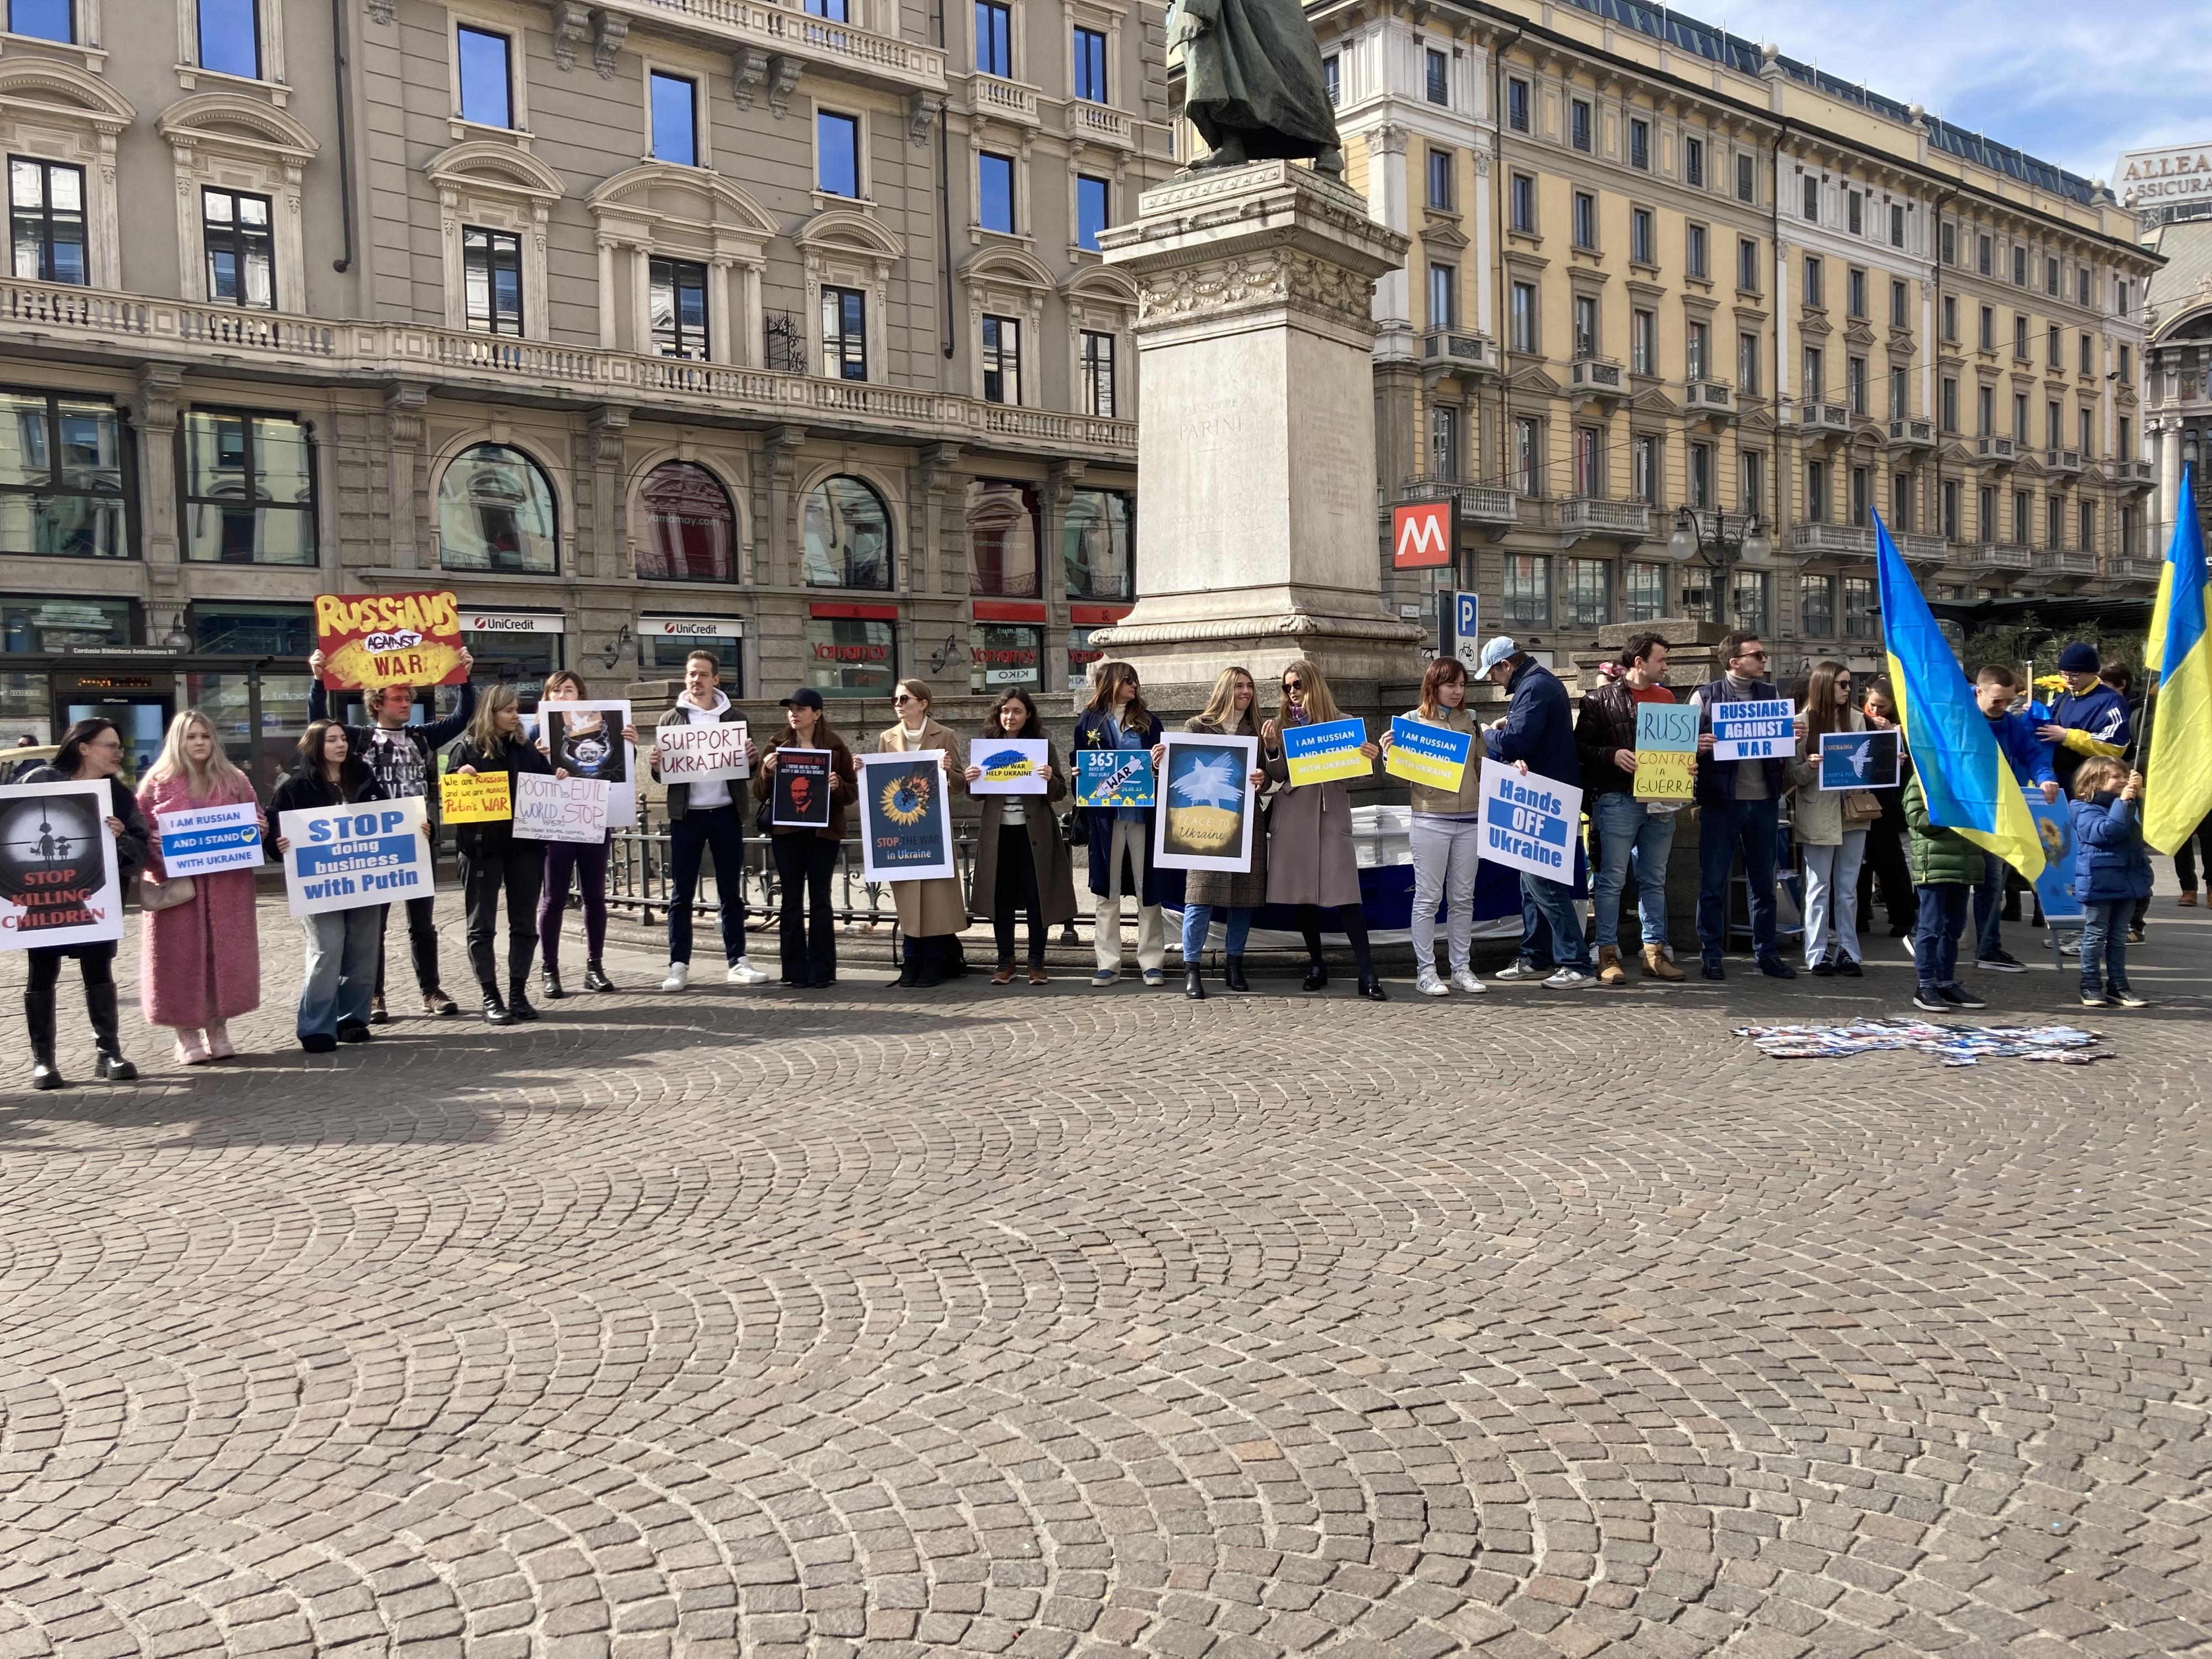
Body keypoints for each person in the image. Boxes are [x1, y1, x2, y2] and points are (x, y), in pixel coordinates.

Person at [306, 649, 477, 1020]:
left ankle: (430, 990)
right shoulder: (360, 739)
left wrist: (464, 676)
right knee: (373, 925)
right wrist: (319, 680)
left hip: (418, 839)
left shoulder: (421, 738)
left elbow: (463, 717)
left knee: (423, 923)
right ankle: (374, 994)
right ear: (377, 703)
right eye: (398, 698)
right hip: (376, 844)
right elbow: (319, 722)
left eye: (409, 698)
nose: (406, 704)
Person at [17, 718, 147, 1088]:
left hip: (97, 900)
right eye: (110, 745)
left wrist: (120, 837)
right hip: (44, 897)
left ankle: (109, 1053)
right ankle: (44, 1061)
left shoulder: (120, 797)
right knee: (42, 972)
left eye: (120, 746)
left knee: (98, 970)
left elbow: (139, 855)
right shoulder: (39, 780)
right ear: (83, 747)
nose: (118, 753)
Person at [136, 711, 264, 1066]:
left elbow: (255, 822)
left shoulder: (234, 779)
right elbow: (139, 832)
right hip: (178, 890)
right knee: (179, 960)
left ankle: (218, 1028)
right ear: (178, 741)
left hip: (227, 889)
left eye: (205, 736)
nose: (199, 743)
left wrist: (257, 828)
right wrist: (152, 843)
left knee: (222, 958)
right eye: (191, 736)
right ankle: (186, 1035)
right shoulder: (156, 782)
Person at [1261, 658, 1386, 1000]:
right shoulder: (1282, 725)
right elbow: (1278, 775)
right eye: (1286, 688)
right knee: (1303, 896)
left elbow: (1358, 774)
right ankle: (1317, 964)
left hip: (1330, 813)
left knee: (1346, 895)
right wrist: (1272, 749)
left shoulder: (1343, 724)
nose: (1291, 693)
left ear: (1312, 685)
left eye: (1297, 685)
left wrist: (1368, 757)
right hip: (1296, 814)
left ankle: (1368, 972)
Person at [268, 721, 394, 1052]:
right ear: (315, 746)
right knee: (327, 948)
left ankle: (352, 1019)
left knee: (364, 950)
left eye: (343, 739)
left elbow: (390, 819)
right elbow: (274, 830)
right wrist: (276, 844)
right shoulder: (295, 788)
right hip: (319, 884)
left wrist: (422, 831)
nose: (341, 745)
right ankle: (316, 1026)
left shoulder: (365, 779)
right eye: (332, 740)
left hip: (367, 881)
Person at [1476, 637, 1594, 989]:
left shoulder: (1534, 686)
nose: (1495, 682)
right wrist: (1506, 730)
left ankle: (1577, 963)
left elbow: (1517, 743)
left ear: (1506, 665)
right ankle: (1536, 957)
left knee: (1542, 883)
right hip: (1544, 795)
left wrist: (1487, 734)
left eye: (1493, 674)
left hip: (1545, 798)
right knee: (1532, 884)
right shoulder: (1540, 683)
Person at [648, 651, 768, 993]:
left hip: (726, 813)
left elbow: (745, 771)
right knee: (681, 894)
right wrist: (657, 766)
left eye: (702, 674)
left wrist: (752, 761)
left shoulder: (735, 717)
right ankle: (678, 965)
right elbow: (662, 777)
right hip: (687, 817)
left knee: (730, 892)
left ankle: (737, 961)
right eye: (690, 674)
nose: (695, 680)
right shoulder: (671, 719)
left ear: (716, 680)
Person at [1572, 632, 1683, 987]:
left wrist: (1688, 761)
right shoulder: (1598, 701)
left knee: (1655, 879)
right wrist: (1611, 754)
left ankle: (1655, 953)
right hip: (1617, 799)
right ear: (1639, 663)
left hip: (1661, 800)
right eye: (1661, 660)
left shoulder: (1667, 698)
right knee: (1612, 880)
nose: (1666, 666)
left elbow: (1674, 749)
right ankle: (1607, 953)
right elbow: (1581, 749)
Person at [446, 686, 562, 1025]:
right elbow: (453, 799)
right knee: (482, 927)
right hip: (481, 850)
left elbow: (544, 786)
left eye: (516, 710)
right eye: (508, 710)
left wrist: (557, 777)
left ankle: (517, 993)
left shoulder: (526, 749)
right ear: (490, 713)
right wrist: (458, 777)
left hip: (524, 848)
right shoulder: (466, 749)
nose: (516, 715)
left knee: (524, 925)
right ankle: (490, 996)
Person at [1378, 656, 1488, 996]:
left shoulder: (1471, 720)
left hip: (1469, 818)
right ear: (1434, 685)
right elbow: (1397, 773)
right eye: (1451, 684)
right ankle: (1426, 971)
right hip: (1430, 818)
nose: (1458, 691)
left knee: (1463, 899)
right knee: (1427, 898)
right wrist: (1387, 754)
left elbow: (1482, 766)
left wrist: (1513, 770)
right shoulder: (1411, 722)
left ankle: (1461, 968)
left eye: (1462, 685)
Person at [1689, 632, 1796, 980]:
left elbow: (1780, 749)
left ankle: (1766, 954)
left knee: (1764, 884)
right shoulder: (1704, 697)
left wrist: (1790, 737)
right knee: (1713, 883)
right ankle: (1711, 955)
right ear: (1735, 662)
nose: (1764, 660)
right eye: (1758, 655)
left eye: (1763, 655)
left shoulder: (1771, 695)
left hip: (1764, 801)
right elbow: (1679, 752)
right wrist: (1698, 746)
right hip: (1722, 803)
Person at [530, 670, 636, 999]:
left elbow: (620, 770)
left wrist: (629, 745)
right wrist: (540, 760)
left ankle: (595, 966)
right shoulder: (537, 733)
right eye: (557, 691)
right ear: (548, 698)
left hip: (593, 817)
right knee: (554, 898)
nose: (564, 696)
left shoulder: (604, 726)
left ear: (582, 696)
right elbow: (527, 778)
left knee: (595, 895)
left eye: (570, 690)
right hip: (558, 822)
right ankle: (550, 968)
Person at [965, 688, 1077, 986]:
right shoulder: (987, 747)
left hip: (1034, 833)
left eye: (1016, 711)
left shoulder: (1042, 746)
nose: (1009, 717)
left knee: (1036, 896)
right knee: (1000, 898)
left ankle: (1036, 962)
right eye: (1004, 711)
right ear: (997, 715)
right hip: (998, 833)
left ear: (1028, 715)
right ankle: (1006, 960)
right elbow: (976, 797)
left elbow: (1059, 793)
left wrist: (1049, 777)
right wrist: (972, 779)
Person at [1172, 666, 1271, 999]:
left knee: (1244, 898)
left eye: (1250, 686)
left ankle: (1234, 965)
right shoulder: (1197, 726)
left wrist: (1263, 779)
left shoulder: (1257, 730)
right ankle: (1192, 969)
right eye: (1239, 686)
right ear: (1225, 689)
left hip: (1246, 823)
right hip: (1206, 824)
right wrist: (1161, 763)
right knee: (1200, 897)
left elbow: (1270, 778)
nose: (1246, 692)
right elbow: (1181, 769)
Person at [753, 688, 858, 988]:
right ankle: (794, 971)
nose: (794, 714)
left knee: (821, 900)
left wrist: (837, 785)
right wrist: (766, 772)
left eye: (801, 709)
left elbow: (851, 793)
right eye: (791, 709)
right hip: (787, 833)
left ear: (817, 713)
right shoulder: (777, 745)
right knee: (791, 901)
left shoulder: (836, 747)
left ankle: (823, 971)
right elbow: (759, 795)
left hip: (823, 834)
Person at [1073, 661, 1168, 987]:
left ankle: (1152, 962)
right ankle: (1108, 963)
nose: (1134, 685)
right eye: (1128, 680)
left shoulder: (1150, 722)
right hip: (1106, 818)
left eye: (1136, 680)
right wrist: (1078, 775)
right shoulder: (1089, 721)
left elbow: (1163, 773)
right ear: (1110, 682)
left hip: (1143, 816)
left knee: (1148, 890)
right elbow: (1080, 763)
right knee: (1107, 891)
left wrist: (1158, 765)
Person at [1966, 664, 2059, 974]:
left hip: (1995, 815)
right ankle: (1930, 940)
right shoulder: (1959, 715)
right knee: (1946, 883)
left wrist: (2045, 777)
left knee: (1991, 883)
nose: (2003, 707)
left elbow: (2032, 754)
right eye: (1997, 700)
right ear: (1978, 692)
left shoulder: (2010, 723)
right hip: (1961, 813)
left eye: (2008, 700)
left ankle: (1988, 948)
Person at [877, 680, 969, 988]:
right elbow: (878, 783)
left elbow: (959, 785)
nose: (898, 704)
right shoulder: (886, 738)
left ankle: (934, 962)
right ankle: (910, 961)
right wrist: (862, 767)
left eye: (904, 698)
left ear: (923, 703)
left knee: (936, 899)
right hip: (900, 831)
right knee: (907, 899)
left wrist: (947, 770)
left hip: (933, 829)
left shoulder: (945, 735)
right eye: (895, 699)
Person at [1785, 662, 1869, 977]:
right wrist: (1810, 765)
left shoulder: (1858, 719)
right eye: (1842, 685)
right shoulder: (1801, 723)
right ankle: (1816, 953)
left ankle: (1848, 950)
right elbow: (1791, 775)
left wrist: (1888, 762)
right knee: (1818, 887)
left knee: (1848, 888)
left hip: (1852, 811)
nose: (1848, 690)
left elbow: (1868, 767)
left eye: (1850, 685)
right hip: (1818, 811)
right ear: (1823, 686)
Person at [1902, 766, 1989, 1016]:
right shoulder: (1922, 778)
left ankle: (1946, 982)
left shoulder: (1967, 777)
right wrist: (1955, 811)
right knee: (1930, 928)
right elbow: (1918, 819)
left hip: (1964, 864)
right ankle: (1926, 985)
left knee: (1954, 928)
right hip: (1934, 864)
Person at [2068, 759, 2152, 1010]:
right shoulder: (2083, 808)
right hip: (2100, 881)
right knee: (2095, 935)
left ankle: (2119, 985)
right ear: (2095, 782)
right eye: (2118, 777)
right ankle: (2090, 984)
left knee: (2118, 937)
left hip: (2127, 881)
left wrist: (2136, 797)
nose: (2125, 781)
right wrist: (2124, 802)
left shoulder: (2126, 804)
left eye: (2126, 776)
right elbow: (2106, 832)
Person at [1854, 683, 1918, 940]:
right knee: (1857, 861)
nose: (1877, 710)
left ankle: (1903, 917)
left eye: (1883, 706)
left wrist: (1895, 737)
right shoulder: (1857, 718)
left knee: (1890, 860)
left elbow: (1911, 766)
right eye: (1873, 704)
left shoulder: (1903, 723)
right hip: (1857, 797)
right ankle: (1859, 916)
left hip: (1886, 801)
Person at [2034, 642, 2130, 795]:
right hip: (2060, 784)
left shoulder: (2111, 701)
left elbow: (2115, 746)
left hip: (2093, 788)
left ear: (2093, 673)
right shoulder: (2063, 699)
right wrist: (2036, 713)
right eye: (2063, 674)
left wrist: (2067, 736)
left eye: (2075, 674)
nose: (2068, 679)